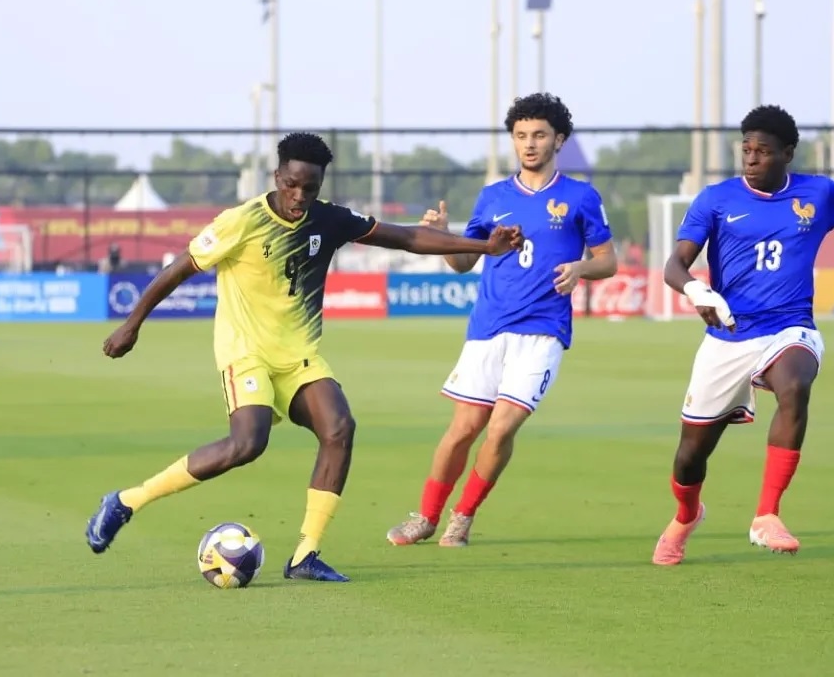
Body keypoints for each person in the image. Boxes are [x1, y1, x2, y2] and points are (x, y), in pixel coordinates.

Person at [85, 132, 524, 582]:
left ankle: (304, 556)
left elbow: (407, 237)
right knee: (247, 444)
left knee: (339, 428)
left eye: (309, 188)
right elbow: (179, 268)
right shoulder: (242, 221)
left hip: (299, 357)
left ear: (320, 183)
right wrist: (132, 323)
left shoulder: (329, 220)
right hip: (246, 353)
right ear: (277, 176)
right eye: (291, 184)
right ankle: (125, 501)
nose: (299, 196)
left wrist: (484, 247)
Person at [652, 105, 834, 566]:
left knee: (794, 385)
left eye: (763, 151)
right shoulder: (715, 199)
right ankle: (686, 516)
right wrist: (697, 290)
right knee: (690, 455)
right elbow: (675, 264)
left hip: (790, 327)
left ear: (787, 153)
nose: (751, 159)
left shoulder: (819, 194)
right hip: (729, 336)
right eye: (746, 150)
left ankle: (766, 515)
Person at [385, 93, 618, 548]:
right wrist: (443, 237)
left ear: (559, 140)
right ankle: (426, 516)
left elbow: (607, 261)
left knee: (502, 426)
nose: (529, 144)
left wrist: (580, 268)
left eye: (539, 135)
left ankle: (463, 516)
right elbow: (462, 265)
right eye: (521, 136)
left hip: (543, 331)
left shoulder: (580, 197)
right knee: (462, 430)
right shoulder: (493, 197)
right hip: (488, 328)